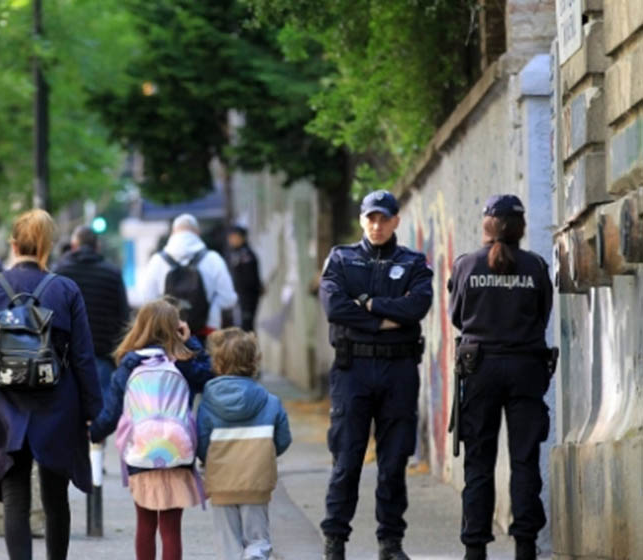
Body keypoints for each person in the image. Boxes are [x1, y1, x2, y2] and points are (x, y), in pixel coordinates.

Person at [0, 209, 103, 560]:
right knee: (56, 499)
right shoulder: (65, 289)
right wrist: (92, 411)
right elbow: (84, 356)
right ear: (46, 246)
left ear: (13, 243)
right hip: (58, 403)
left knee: (15, 499)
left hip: (6, 405)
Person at [319, 190, 433, 560]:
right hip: (353, 369)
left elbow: (417, 306)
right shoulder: (341, 258)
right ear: (362, 220)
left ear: (396, 220)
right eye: (371, 218)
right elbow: (335, 307)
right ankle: (335, 541)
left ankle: (390, 543)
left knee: (394, 462)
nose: (377, 225)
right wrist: (385, 320)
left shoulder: (413, 262)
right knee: (347, 460)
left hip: (398, 369)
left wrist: (368, 304)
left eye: (384, 218)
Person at [448, 195, 553, 560]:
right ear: (521, 227)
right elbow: (543, 315)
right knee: (524, 459)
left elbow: (457, 317)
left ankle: (475, 548)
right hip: (527, 367)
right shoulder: (536, 267)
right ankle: (526, 546)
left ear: (488, 225)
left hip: (480, 370)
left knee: (479, 461)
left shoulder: (466, 266)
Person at [89, 299, 212, 560]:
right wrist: (191, 342)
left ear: (140, 326)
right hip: (177, 451)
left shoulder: (128, 365)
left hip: (141, 451)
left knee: (145, 525)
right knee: (171, 529)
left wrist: (91, 434)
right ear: (174, 328)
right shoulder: (183, 362)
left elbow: (111, 415)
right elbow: (208, 375)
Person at [196, 328, 292, 560]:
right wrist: (265, 454)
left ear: (217, 363)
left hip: (221, 481)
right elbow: (283, 439)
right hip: (256, 480)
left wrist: (205, 462)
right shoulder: (270, 401)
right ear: (254, 361)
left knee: (227, 543)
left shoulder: (208, 403)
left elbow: (201, 442)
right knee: (258, 538)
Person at [54, 225, 131, 400]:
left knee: (70, 408)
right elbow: (123, 316)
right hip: (102, 352)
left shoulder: (59, 273)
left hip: (68, 354)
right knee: (101, 409)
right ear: (97, 246)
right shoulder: (112, 274)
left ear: (74, 246)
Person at [139, 213, 237, 339]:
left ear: (173, 233)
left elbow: (147, 299)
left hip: (170, 334)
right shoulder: (213, 259)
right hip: (207, 332)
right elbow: (229, 299)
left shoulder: (157, 261)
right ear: (197, 232)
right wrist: (211, 309)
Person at [225, 226, 263, 332]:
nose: (231, 240)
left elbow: (251, 280)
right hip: (238, 297)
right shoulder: (233, 254)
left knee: (247, 327)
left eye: (234, 237)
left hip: (247, 298)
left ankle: (249, 348)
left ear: (241, 237)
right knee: (240, 326)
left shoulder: (246, 255)